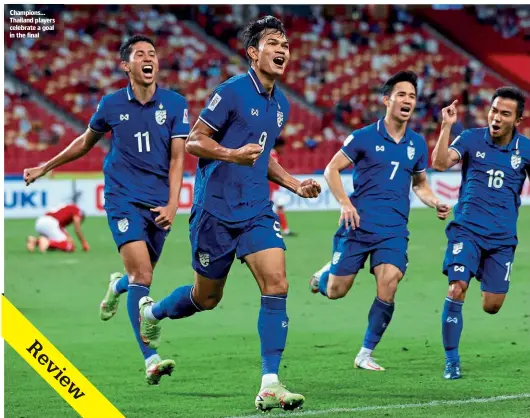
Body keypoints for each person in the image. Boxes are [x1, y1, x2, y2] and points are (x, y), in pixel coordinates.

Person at [137, 16, 320, 412]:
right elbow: (196, 142)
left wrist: (294, 184)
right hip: (214, 213)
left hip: (255, 210)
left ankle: (269, 383)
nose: (282, 49)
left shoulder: (281, 105)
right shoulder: (232, 92)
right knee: (207, 298)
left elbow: (263, 157)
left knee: (277, 283)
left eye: (286, 44)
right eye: (273, 43)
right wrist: (231, 154)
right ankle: (151, 311)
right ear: (254, 53)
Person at [23, 35, 189, 385]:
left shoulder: (175, 104)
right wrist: (44, 166)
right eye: (140, 54)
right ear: (125, 66)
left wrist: (174, 203)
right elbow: (85, 142)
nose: (149, 58)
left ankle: (116, 287)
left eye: (153, 54)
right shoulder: (111, 105)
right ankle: (151, 359)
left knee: (139, 279)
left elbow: (178, 159)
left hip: (159, 202)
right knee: (142, 277)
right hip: (122, 198)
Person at [309, 71, 451, 371]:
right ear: (387, 100)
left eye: (412, 96)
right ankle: (323, 276)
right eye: (402, 95)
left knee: (389, 283)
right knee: (336, 290)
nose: (408, 101)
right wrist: (345, 204)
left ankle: (365, 353)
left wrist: (435, 200)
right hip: (358, 225)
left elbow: (420, 184)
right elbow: (331, 170)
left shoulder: (416, 144)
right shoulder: (363, 137)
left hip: (394, 230)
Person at [431, 87, 528, 380]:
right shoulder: (472, 138)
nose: (496, 118)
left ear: (517, 120)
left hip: (501, 240)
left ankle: (486, 275)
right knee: (456, 288)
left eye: (504, 114)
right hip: (467, 231)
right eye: (494, 110)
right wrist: (446, 126)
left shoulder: (525, 149)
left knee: (492, 305)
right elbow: (439, 163)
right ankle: (452, 360)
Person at [269, 138, 296, 236]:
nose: (283, 149)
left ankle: (285, 229)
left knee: (279, 207)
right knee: (273, 208)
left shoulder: (272, 154)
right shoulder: (272, 155)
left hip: (275, 187)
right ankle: (276, 230)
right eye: (282, 146)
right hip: (271, 187)